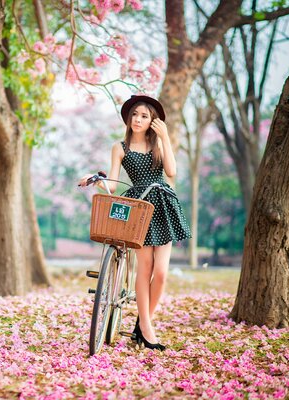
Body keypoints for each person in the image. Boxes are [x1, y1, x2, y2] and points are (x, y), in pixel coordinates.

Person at [78, 95, 191, 351]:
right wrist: (95, 178)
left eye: (144, 116)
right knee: (145, 268)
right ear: (128, 118)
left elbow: (171, 172)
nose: (138, 120)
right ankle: (147, 331)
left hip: (161, 203)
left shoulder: (158, 144)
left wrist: (165, 138)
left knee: (160, 273)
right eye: (135, 115)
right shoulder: (120, 147)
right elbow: (114, 184)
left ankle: (142, 324)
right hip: (138, 206)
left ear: (152, 121)